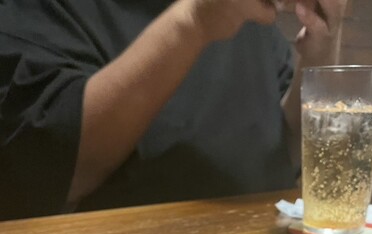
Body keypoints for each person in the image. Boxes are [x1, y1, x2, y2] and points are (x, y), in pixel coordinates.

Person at [0, 0, 346, 219]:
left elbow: (285, 148)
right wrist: (193, 21)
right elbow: (57, 172)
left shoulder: (252, 18)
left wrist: (320, 51)